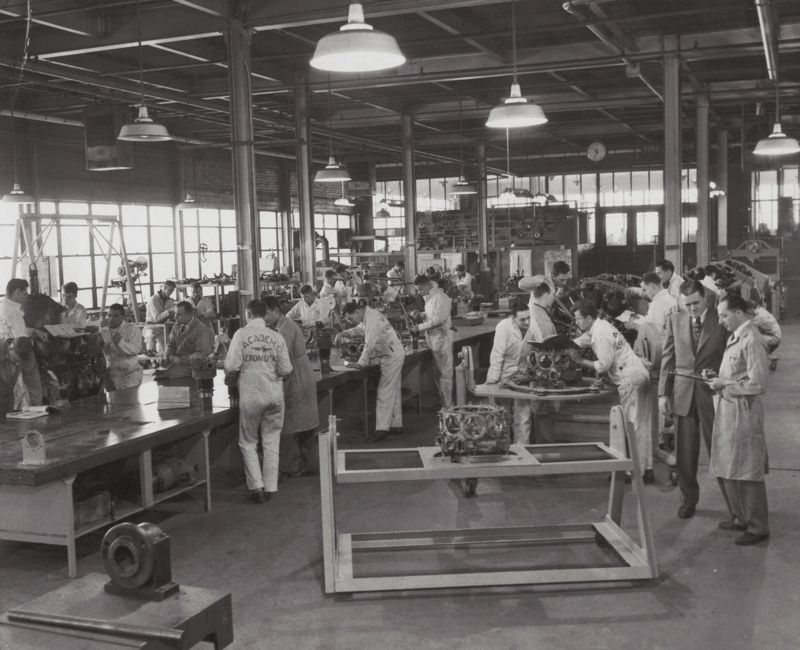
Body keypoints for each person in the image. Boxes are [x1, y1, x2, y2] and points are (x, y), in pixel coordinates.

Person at [658, 280, 728, 518]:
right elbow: (668, 358)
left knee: (720, 450)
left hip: (712, 394)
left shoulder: (721, 321)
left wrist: (724, 380)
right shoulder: (675, 320)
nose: (692, 308)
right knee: (685, 455)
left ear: (705, 298)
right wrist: (663, 393)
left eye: (696, 303)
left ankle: (734, 507)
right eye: (687, 305)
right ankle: (688, 500)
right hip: (683, 393)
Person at [706, 293, 770, 545]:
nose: (721, 320)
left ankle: (758, 527)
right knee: (729, 465)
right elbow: (737, 372)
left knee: (747, 469)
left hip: (744, 411)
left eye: (724, 315)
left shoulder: (752, 339)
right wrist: (717, 377)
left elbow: (758, 383)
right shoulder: (736, 336)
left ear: (739, 313)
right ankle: (740, 518)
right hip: (729, 410)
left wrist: (724, 384)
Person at [569, 300, 652, 481]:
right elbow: (582, 341)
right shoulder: (601, 325)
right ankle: (647, 470)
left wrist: (579, 361)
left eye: (578, 319)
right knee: (643, 425)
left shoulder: (600, 334)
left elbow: (603, 365)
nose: (576, 322)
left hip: (630, 379)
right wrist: (566, 344)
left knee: (633, 426)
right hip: (639, 374)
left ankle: (634, 473)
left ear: (589, 318)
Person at [224, 299, 293, 503]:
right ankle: (271, 486)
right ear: (264, 315)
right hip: (274, 395)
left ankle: (257, 488)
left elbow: (231, 365)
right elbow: (286, 369)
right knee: (272, 441)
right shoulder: (276, 336)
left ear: (248, 314)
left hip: (252, 395)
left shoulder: (241, 334)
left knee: (248, 442)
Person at [263, 296, 320, 476]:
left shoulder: (285, 329)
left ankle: (295, 467)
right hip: (296, 377)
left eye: (266, 314)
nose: (264, 318)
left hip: (297, 379)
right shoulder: (278, 327)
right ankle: (308, 465)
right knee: (303, 426)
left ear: (275, 311)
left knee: (293, 427)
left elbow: (279, 357)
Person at [341, 302, 405, 441]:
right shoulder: (369, 315)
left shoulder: (372, 319)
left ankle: (381, 429)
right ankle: (396, 424)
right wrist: (344, 333)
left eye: (350, 318)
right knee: (393, 391)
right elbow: (360, 329)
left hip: (391, 356)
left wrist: (361, 363)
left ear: (357, 312)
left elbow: (369, 344)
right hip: (392, 353)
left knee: (384, 392)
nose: (350, 321)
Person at [485, 302, 531, 443]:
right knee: (501, 418)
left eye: (528, 318)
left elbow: (539, 346)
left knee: (523, 418)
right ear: (513, 318)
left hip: (522, 377)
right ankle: (503, 450)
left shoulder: (533, 325)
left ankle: (522, 451)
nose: (527, 322)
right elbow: (497, 354)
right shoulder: (503, 327)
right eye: (522, 320)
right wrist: (493, 381)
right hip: (502, 377)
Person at [410, 274, 453, 408]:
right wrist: (421, 314)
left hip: (442, 338)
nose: (419, 292)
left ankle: (447, 405)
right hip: (433, 339)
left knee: (445, 373)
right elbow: (431, 315)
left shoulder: (442, 298)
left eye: (420, 289)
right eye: (418, 290)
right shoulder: (430, 298)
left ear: (428, 284)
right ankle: (442, 400)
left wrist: (419, 327)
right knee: (437, 372)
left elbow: (438, 319)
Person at [525, 282, 559, 443]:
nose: (554, 298)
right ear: (546, 295)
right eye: (553, 295)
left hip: (536, 373)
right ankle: (545, 451)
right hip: (543, 376)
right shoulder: (541, 319)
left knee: (537, 416)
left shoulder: (534, 311)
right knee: (544, 413)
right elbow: (546, 355)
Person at [0, 278, 41, 407]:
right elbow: (21, 338)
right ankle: (36, 408)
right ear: (17, 292)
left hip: (5, 353)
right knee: (32, 383)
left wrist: (33, 330)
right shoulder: (13, 311)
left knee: (15, 387)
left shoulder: (2, 306)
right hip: (19, 352)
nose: (26, 297)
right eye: (24, 293)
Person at [164, 301, 213, 378]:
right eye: (175, 314)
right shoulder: (176, 326)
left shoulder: (201, 330)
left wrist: (181, 360)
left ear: (190, 315)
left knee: (169, 376)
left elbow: (203, 354)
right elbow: (171, 344)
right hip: (177, 365)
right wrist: (168, 356)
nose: (175, 317)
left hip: (194, 369)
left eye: (179, 315)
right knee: (160, 373)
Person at [100, 303, 143, 390]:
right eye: (109, 315)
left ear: (123, 317)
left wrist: (120, 342)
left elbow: (136, 349)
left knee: (126, 395)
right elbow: (100, 354)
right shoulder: (103, 332)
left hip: (131, 372)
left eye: (115, 316)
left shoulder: (132, 329)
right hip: (112, 373)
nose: (111, 319)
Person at [145, 280, 176, 354]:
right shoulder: (153, 299)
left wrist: (174, 316)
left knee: (165, 349)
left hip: (163, 326)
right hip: (152, 326)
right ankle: (153, 358)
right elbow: (157, 319)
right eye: (170, 290)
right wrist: (169, 312)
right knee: (151, 346)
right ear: (164, 288)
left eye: (172, 291)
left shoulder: (169, 301)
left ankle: (162, 359)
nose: (171, 292)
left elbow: (170, 316)